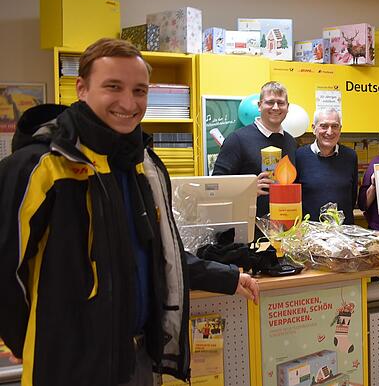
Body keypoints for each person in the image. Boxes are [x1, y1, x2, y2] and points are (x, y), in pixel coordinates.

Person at [0, 38, 259, 386]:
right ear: (81, 88)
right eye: (113, 87)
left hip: (137, 355)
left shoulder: (144, 165)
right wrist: (28, 340)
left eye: (139, 90)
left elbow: (159, 252)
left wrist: (226, 276)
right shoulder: (39, 166)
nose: (129, 102)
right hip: (71, 363)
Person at [212, 81, 298, 218]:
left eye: (281, 103)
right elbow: (215, 186)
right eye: (270, 102)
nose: (276, 107)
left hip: (284, 226)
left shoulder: (291, 142)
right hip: (247, 230)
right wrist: (249, 189)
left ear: (288, 107)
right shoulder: (237, 139)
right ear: (259, 105)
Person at [295, 108, 358, 224]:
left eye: (334, 126)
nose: (329, 132)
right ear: (314, 128)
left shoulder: (351, 156)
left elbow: (352, 196)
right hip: (310, 234)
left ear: (340, 129)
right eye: (324, 126)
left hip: (343, 234)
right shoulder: (298, 156)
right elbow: (293, 199)